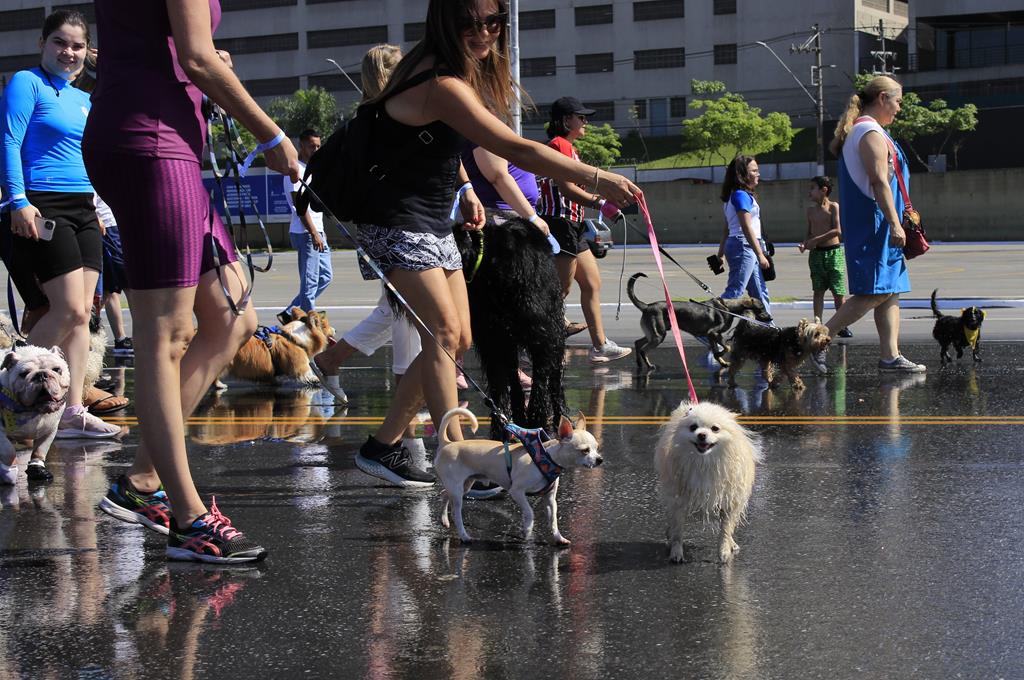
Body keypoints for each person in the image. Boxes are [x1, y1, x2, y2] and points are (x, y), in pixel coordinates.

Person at [349, 0, 641, 487]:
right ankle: (459, 464)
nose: (483, 32)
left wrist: (463, 189)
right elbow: (514, 148)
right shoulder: (438, 79)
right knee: (444, 337)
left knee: (459, 339)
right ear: (445, 22)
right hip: (394, 216)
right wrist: (596, 177)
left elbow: (444, 145)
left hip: (432, 216)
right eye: (468, 21)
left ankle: (382, 447)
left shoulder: (448, 75)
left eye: (492, 21)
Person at [83, 0, 300, 563]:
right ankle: (188, 519)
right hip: (149, 138)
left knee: (233, 317)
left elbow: (180, 49)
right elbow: (200, 57)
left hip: (161, 135)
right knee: (167, 329)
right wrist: (272, 136)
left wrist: (191, 64)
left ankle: (142, 480)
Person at [0, 10, 121, 439]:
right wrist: (18, 200)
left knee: (83, 314)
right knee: (66, 309)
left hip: (84, 208)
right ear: (42, 43)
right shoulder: (26, 83)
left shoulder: (84, 98)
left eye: (76, 46)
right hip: (40, 203)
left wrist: (101, 211)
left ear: (88, 52)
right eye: (59, 43)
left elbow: (93, 155)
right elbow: (9, 141)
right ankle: (10, 394)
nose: (68, 52)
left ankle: (70, 413)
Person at [309, 43, 421, 405]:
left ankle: (335, 360)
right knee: (406, 307)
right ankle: (399, 381)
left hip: (386, 225)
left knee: (398, 308)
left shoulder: (367, 121)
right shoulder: (385, 122)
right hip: (395, 226)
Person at [821, 75, 924, 373]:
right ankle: (817, 340)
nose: (899, 108)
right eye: (898, 101)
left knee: (890, 290)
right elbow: (879, 183)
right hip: (875, 222)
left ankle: (890, 356)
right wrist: (894, 223)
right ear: (882, 98)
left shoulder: (869, 131)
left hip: (878, 221)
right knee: (874, 291)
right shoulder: (869, 133)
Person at [536, 97, 632, 364]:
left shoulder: (568, 147)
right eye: (581, 117)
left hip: (573, 224)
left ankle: (600, 345)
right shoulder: (559, 145)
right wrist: (601, 202)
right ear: (566, 120)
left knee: (591, 283)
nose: (586, 122)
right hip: (560, 222)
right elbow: (567, 189)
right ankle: (533, 343)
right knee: (560, 289)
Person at [277, 129, 332, 325]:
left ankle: (289, 313)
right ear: (301, 145)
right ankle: (311, 326)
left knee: (325, 276)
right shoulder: (295, 171)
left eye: (318, 146)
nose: (316, 150)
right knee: (309, 285)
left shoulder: (312, 168)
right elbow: (300, 208)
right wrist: (314, 232)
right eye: (312, 146)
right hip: (306, 233)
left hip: (318, 231)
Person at [716, 154, 771, 315]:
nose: (758, 174)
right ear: (742, 174)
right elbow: (746, 227)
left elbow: (727, 227)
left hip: (744, 245)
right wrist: (760, 254)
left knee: (759, 292)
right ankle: (705, 327)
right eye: (754, 171)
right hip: (743, 246)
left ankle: (768, 328)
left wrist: (721, 253)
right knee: (734, 292)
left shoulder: (736, 195)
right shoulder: (740, 195)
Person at [799, 176, 852, 339]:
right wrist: (806, 242)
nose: (810, 192)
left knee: (838, 292)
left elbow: (837, 231)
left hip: (833, 253)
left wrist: (816, 239)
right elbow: (809, 232)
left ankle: (842, 324)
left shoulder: (833, 207)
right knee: (818, 290)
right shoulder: (810, 210)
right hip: (816, 254)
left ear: (824, 190)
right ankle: (818, 323)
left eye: (813, 188)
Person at [94, 193, 135, 356]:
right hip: (107, 224)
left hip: (115, 222)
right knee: (127, 285)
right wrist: (95, 215)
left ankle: (122, 339)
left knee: (111, 288)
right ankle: (127, 338)